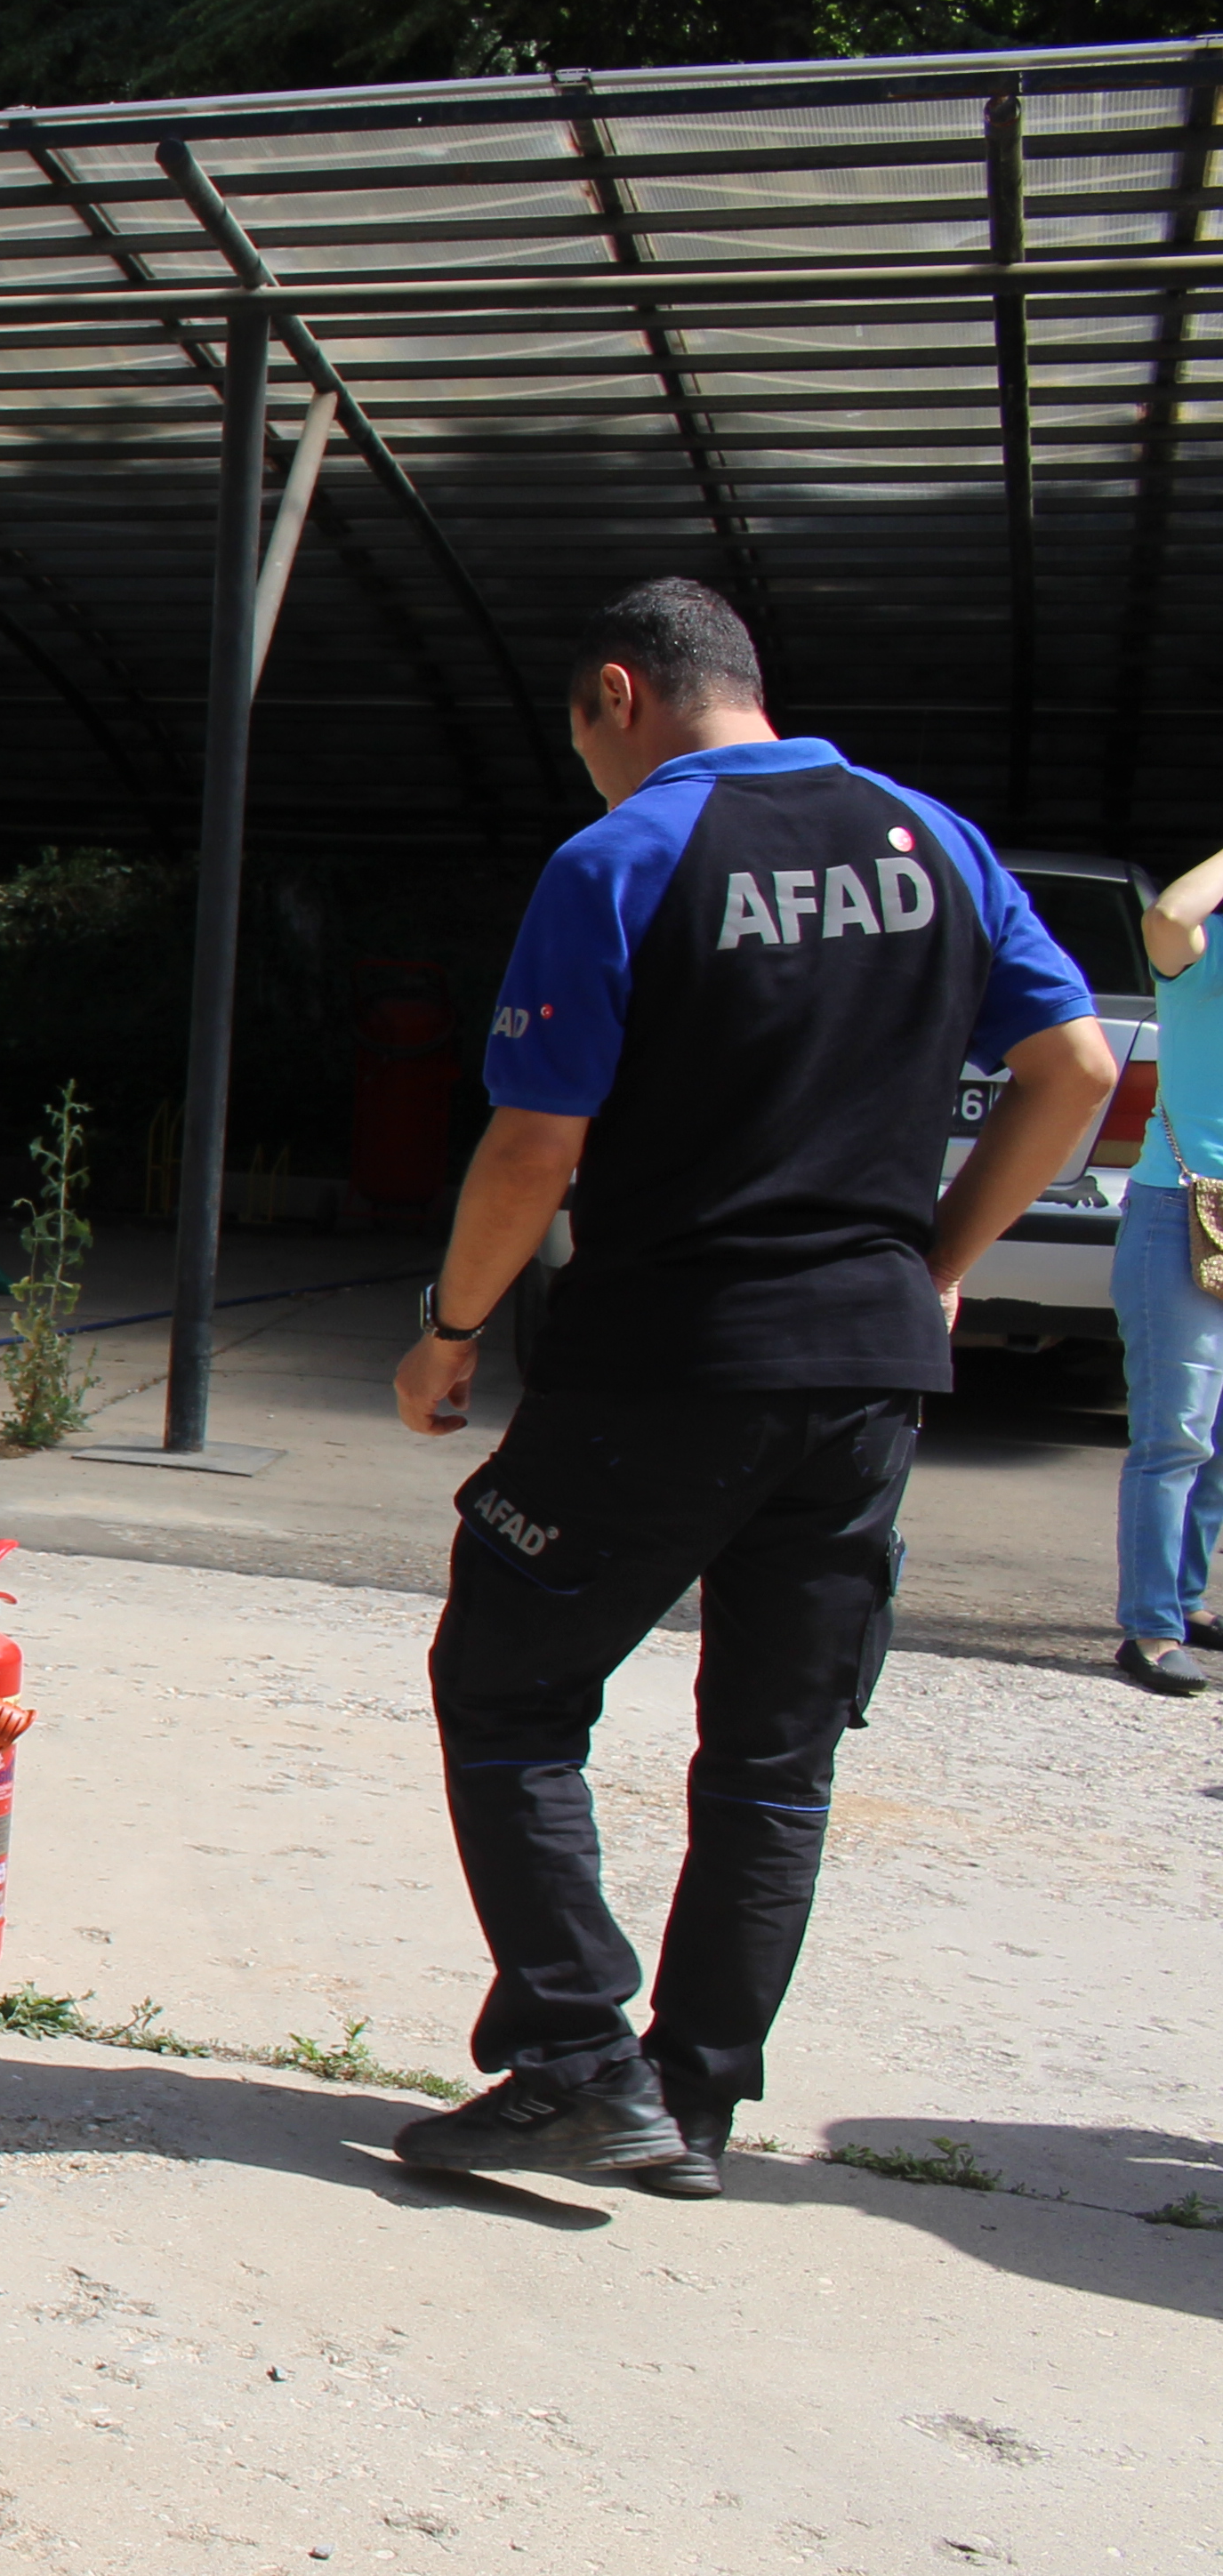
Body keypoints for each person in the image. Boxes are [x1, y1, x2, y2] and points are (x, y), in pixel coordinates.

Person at [382, 576, 1111, 2194]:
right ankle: (689, 2099)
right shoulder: (930, 841)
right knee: (770, 1754)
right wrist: (931, 1258)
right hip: (863, 1375)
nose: (587, 767)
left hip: (667, 1360)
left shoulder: (624, 854)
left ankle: (574, 2059)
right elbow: (1073, 1065)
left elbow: (533, 1142)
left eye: (581, 736)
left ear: (618, 693)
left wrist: (447, 1325)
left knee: (502, 1689)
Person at [1114, 846, 1223, 1695]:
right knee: (1175, 1432)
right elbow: (1168, 915)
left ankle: (1184, 1601)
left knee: (1215, 1443)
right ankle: (1149, 1630)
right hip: (1180, 1208)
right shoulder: (1201, 954)